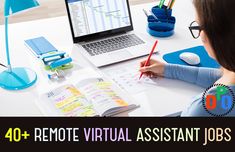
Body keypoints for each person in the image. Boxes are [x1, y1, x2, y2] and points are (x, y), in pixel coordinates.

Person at [139, 0, 235, 117]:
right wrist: (167, 69)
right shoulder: (230, 74)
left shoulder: (204, 109)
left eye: (199, 26)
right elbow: (213, 75)